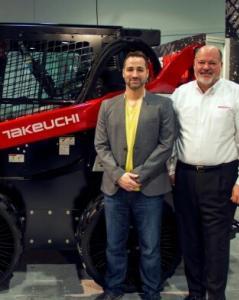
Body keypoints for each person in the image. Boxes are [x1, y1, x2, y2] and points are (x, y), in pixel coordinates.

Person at [170, 45, 239, 300]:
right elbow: (172, 136)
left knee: (216, 242)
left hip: (222, 177)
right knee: (190, 240)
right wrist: (171, 168)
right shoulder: (180, 94)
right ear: (194, 64)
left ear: (220, 65)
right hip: (185, 177)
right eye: (201, 62)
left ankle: (215, 295)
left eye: (212, 62)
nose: (206, 67)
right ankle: (195, 293)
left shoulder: (237, 95)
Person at [94, 50, 176, 300]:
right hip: (115, 188)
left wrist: (138, 175)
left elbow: (166, 144)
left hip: (149, 188)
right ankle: (113, 288)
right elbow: (101, 145)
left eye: (140, 69)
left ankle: (152, 292)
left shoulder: (163, 105)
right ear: (123, 73)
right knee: (114, 245)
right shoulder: (107, 106)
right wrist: (119, 175)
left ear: (148, 73)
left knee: (151, 247)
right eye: (130, 69)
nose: (135, 74)